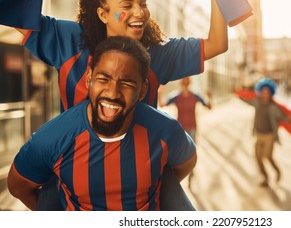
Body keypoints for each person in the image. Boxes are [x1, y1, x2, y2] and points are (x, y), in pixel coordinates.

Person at [14, 0, 227, 210]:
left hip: (138, 178)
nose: (140, 12)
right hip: (73, 171)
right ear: (103, 14)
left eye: (143, 3)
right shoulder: (70, 41)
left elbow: (217, 44)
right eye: (127, 6)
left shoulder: (158, 53)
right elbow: (17, 12)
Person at [7, 36, 197, 211]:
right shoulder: (52, 138)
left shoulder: (166, 131)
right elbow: (18, 186)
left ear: (142, 90)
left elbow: (186, 162)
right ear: (89, 78)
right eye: (103, 79)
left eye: (127, 83)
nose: (112, 93)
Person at [253, 79, 291, 187]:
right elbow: (246, 98)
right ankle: (265, 177)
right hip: (259, 134)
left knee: (268, 156)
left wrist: (290, 119)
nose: (265, 94)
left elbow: (283, 117)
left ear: (271, 94)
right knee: (257, 157)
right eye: (263, 92)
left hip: (269, 135)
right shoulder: (257, 102)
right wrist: (237, 93)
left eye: (267, 92)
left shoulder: (273, 107)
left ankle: (277, 171)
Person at [160, 77, 211, 142]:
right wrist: (159, 93)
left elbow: (208, 106)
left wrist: (209, 97)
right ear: (181, 84)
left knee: (191, 150)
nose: (185, 85)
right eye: (184, 83)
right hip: (181, 129)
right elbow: (162, 105)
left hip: (192, 128)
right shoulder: (176, 96)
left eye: (187, 83)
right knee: (181, 150)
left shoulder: (194, 96)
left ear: (189, 83)